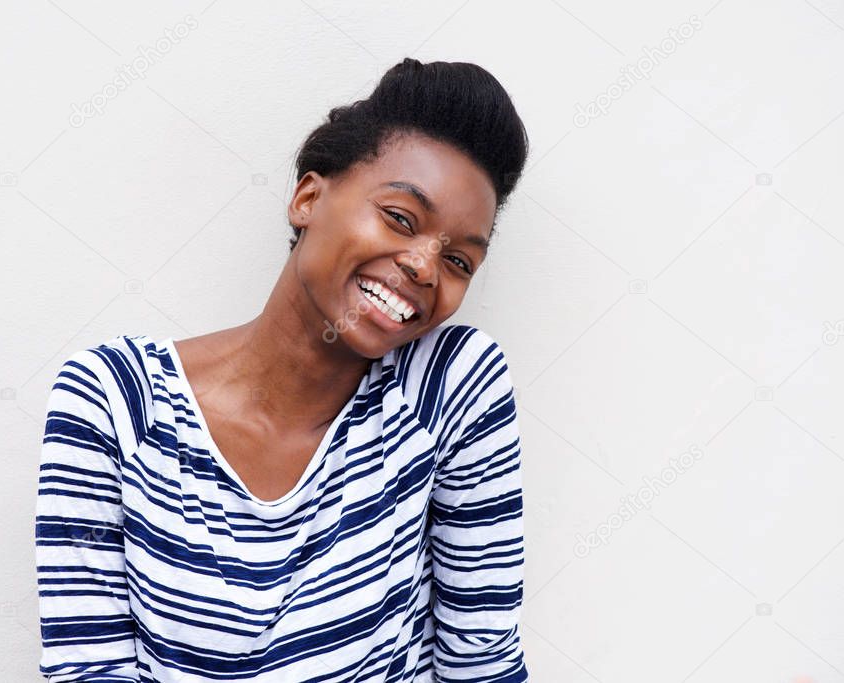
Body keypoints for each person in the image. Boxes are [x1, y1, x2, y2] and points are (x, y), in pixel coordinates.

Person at [35, 57, 530, 682]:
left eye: (459, 260)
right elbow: (88, 668)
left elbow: (481, 659)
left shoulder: (447, 386)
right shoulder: (115, 400)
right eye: (401, 218)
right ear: (309, 197)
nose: (425, 269)